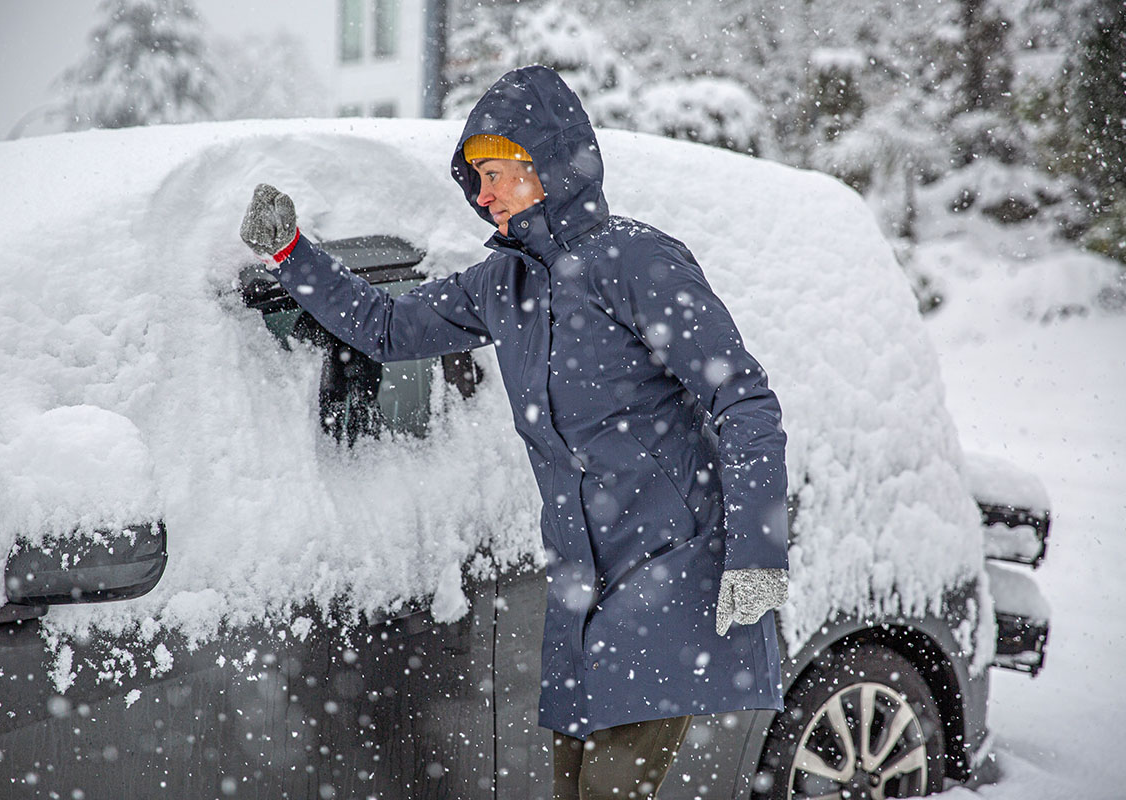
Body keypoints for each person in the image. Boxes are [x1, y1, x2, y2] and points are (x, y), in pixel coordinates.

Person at [241, 65, 790, 800]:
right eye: (475, 178)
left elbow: (744, 400)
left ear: (549, 164)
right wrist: (292, 255)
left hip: (668, 566)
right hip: (581, 580)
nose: (483, 194)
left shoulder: (636, 261)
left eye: (495, 172)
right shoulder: (503, 286)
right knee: (574, 789)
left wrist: (755, 551)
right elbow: (387, 327)